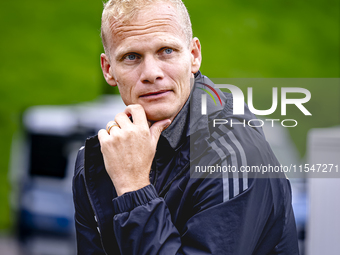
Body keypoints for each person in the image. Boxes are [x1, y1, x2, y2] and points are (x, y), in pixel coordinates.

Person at [72, 0, 300, 254]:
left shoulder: (235, 156)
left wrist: (133, 188)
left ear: (194, 55)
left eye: (166, 51)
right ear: (108, 70)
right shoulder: (96, 160)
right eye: (131, 57)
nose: (151, 72)